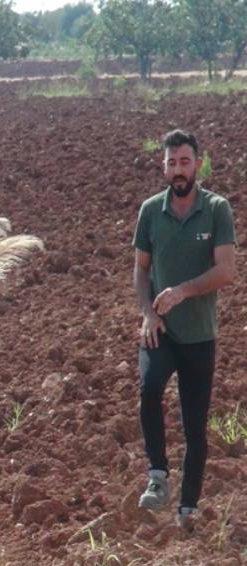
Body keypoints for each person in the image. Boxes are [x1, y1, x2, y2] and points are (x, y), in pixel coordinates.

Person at [133, 129, 237, 533]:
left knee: (195, 425)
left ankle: (188, 509)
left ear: (198, 164)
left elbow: (226, 270)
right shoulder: (150, 212)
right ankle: (157, 475)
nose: (178, 170)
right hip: (161, 329)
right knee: (149, 385)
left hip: (199, 334)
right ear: (164, 166)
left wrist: (182, 292)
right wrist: (148, 312)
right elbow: (141, 271)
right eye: (172, 163)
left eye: (185, 162)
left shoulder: (216, 209)